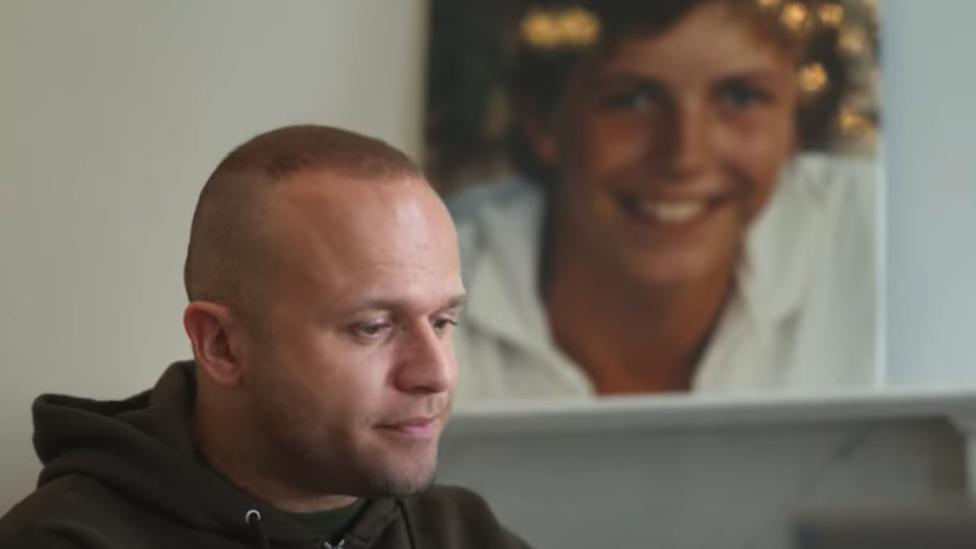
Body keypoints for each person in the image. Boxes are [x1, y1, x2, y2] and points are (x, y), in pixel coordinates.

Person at [0, 126, 530, 549]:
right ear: (222, 345)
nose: (434, 372)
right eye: (372, 327)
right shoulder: (68, 539)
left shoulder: (465, 533)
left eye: (442, 322)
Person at [449, 0, 877, 402]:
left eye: (741, 97)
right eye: (631, 100)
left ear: (795, 124)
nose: (685, 157)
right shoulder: (420, 285)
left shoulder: (887, 240)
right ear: (543, 122)